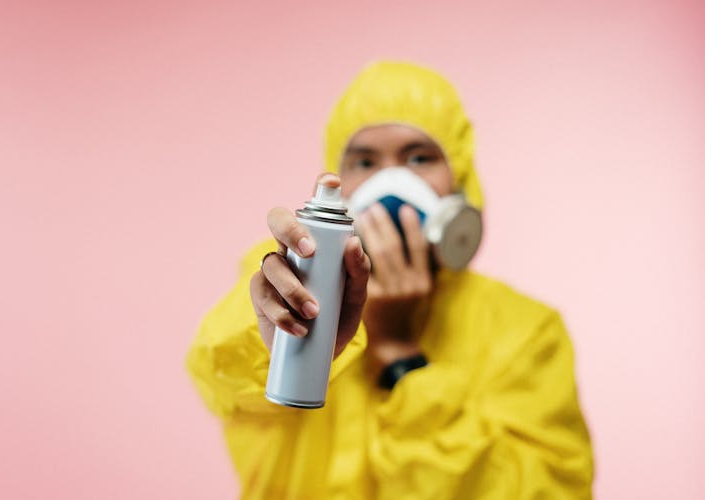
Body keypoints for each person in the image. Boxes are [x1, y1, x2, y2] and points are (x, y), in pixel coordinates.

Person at [187, 61, 594, 499]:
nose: (392, 183)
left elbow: (547, 489)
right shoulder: (283, 278)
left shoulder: (526, 331)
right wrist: (285, 334)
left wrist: (400, 355)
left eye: (419, 158)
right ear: (339, 185)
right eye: (365, 161)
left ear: (459, 180)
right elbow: (218, 378)